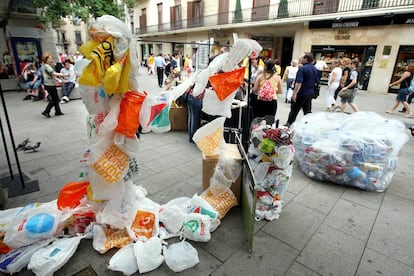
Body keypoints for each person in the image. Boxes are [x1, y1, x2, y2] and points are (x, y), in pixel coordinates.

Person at [285, 52, 319, 127]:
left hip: (301, 93)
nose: (301, 59)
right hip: (310, 92)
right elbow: (317, 81)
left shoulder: (302, 69)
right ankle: (307, 125)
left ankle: (289, 124)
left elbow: (298, 82)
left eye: (302, 58)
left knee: (294, 110)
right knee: (307, 111)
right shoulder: (314, 69)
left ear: (306, 59)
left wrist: (294, 93)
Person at [40, 53, 66, 118]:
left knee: (55, 98)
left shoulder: (44, 66)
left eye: (51, 58)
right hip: (50, 84)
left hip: (49, 84)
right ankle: (46, 111)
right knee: (54, 99)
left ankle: (58, 111)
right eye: (50, 58)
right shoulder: (46, 66)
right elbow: (53, 73)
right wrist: (64, 75)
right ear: (46, 59)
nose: (51, 60)